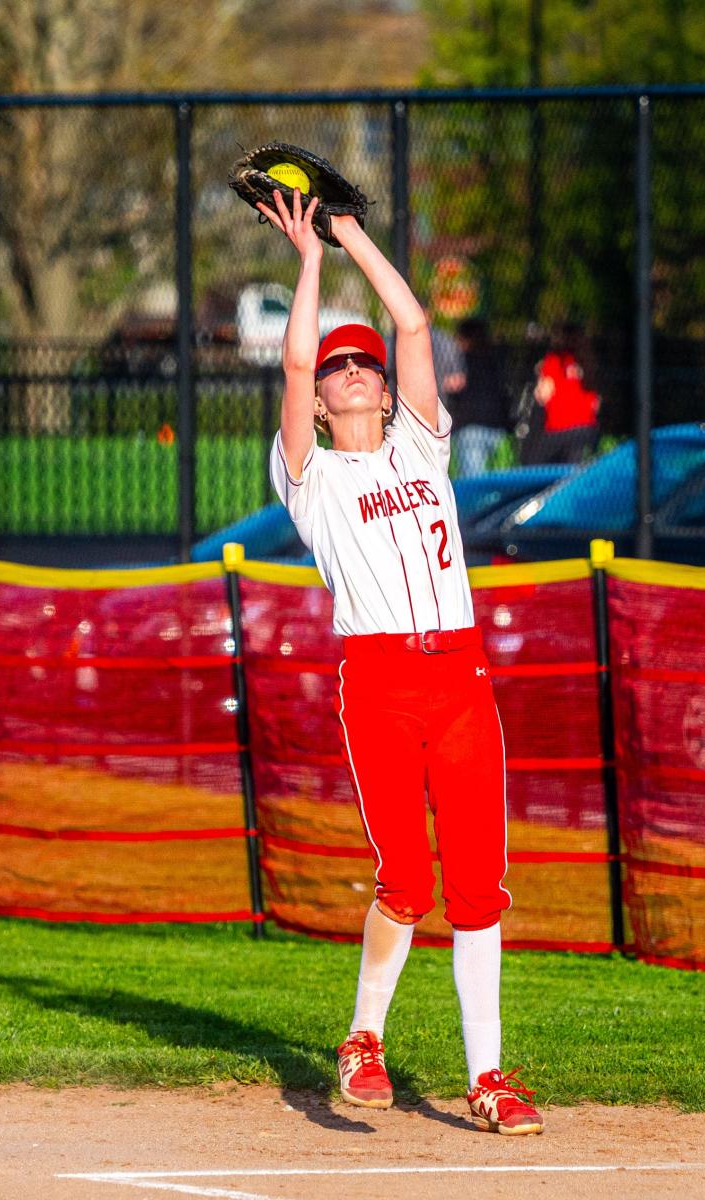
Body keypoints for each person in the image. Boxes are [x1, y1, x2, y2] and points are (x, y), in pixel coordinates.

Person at [259, 185, 544, 1137]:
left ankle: (490, 1074)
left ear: (384, 390)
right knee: (405, 880)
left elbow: (412, 320)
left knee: (477, 884)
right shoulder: (311, 479)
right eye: (336, 368)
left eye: (360, 366)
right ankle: (364, 1039)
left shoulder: (423, 452)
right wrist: (307, 262)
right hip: (377, 681)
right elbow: (295, 361)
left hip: (460, 679)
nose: (345, 371)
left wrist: (350, 235)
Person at [447, 317, 514, 477]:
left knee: (475, 482)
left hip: (472, 428)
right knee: (500, 483)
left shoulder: (460, 361)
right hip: (495, 426)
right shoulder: (497, 360)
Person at [528, 322, 601, 464]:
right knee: (575, 471)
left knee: (535, 464)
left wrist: (538, 385)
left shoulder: (553, 360)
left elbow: (543, 395)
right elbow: (596, 404)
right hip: (586, 427)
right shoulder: (588, 362)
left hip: (559, 427)